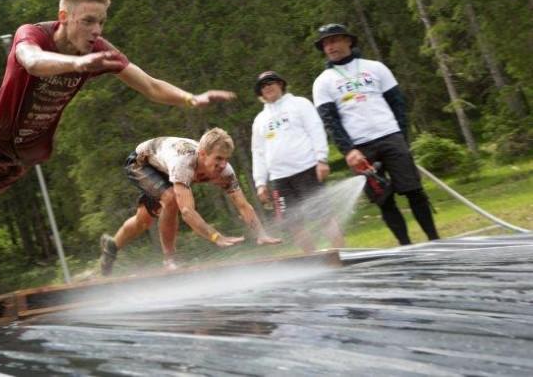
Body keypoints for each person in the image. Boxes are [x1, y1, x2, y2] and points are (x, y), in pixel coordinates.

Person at [0, 0, 236, 265]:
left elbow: (149, 85)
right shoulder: (33, 34)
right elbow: (32, 61)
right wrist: (77, 65)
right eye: (88, 21)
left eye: (101, 22)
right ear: (64, 17)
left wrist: (191, 98)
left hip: (26, 150)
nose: (96, 31)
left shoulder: (98, 49)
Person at [312, 23, 440, 245]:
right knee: (384, 200)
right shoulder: (323, 81)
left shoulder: (375, 67)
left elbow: (397, 103)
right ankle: (405, 246)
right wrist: (348, 150)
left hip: (391, 136)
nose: (330, 46)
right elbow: (330, 121)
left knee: (414, 191)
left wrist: (401, 137)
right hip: (360, 148)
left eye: (334, 40)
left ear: (348, 41)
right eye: (325, 44)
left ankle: (434, 240)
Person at [99, 127, 281, 275]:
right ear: (202, 154)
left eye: (226, 159)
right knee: (170, 199)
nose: (222, 165)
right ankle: (169, 260)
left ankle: (112, 246)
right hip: (142, 163)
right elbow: (187, 212)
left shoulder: (226, 172)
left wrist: (261, 234)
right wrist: (215, 236)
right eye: (218, 158)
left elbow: (242, 204)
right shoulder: (184, 163)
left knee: (143, 220)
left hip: (165, 164)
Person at [251, 71, 345, 252]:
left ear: (281, 84)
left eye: (271, 82)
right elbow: (258, 152)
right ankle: (313, 260)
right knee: (293, 224)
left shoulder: (300, 104)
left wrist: (322, 159)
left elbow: (316, 130)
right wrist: (260, 183)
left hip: (307, 169)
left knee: (324, 217)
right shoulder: (259, 120)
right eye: (263, 86)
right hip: (280, 180)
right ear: (260, 92)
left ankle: (341, 256)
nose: (267, 87)